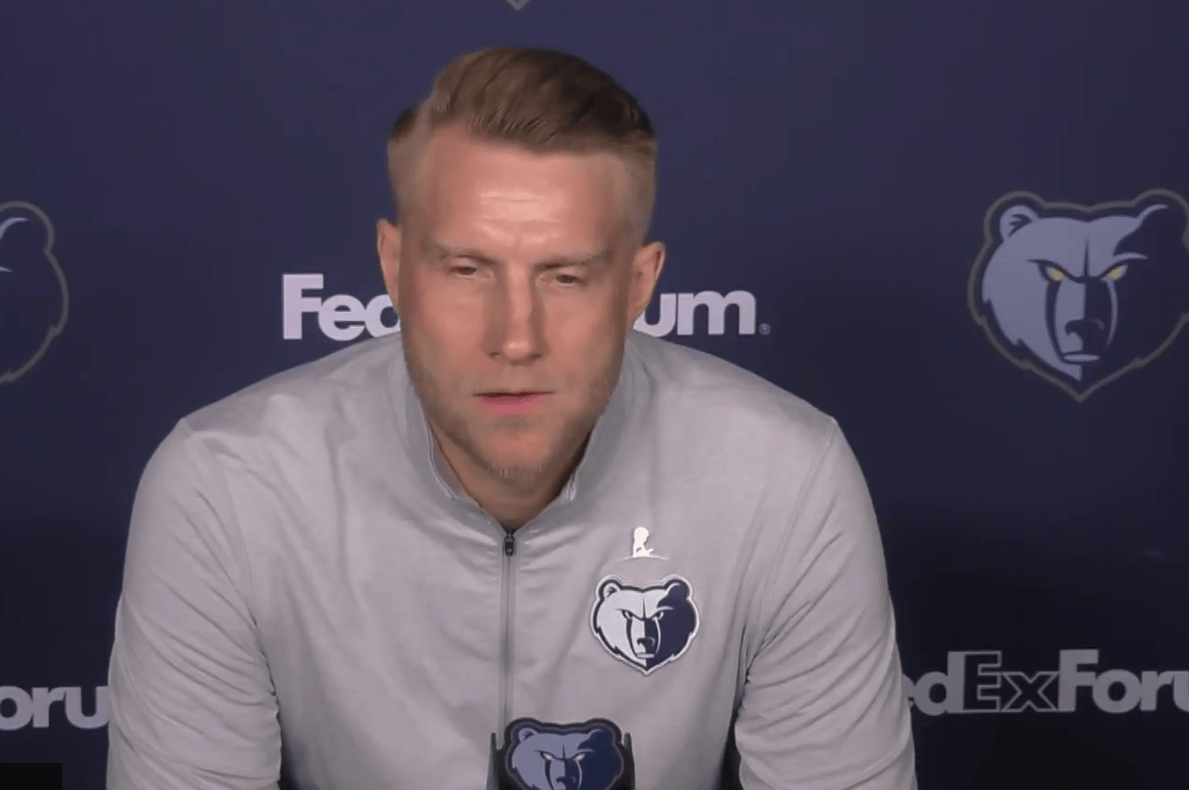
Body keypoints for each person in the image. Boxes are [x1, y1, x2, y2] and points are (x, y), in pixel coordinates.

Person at [105, 47, 917, 790]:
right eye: (467, 270)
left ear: (638, 285)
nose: (516, 337)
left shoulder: (781, 477)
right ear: (395, 267)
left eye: (565, 276)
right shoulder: (226, 487)